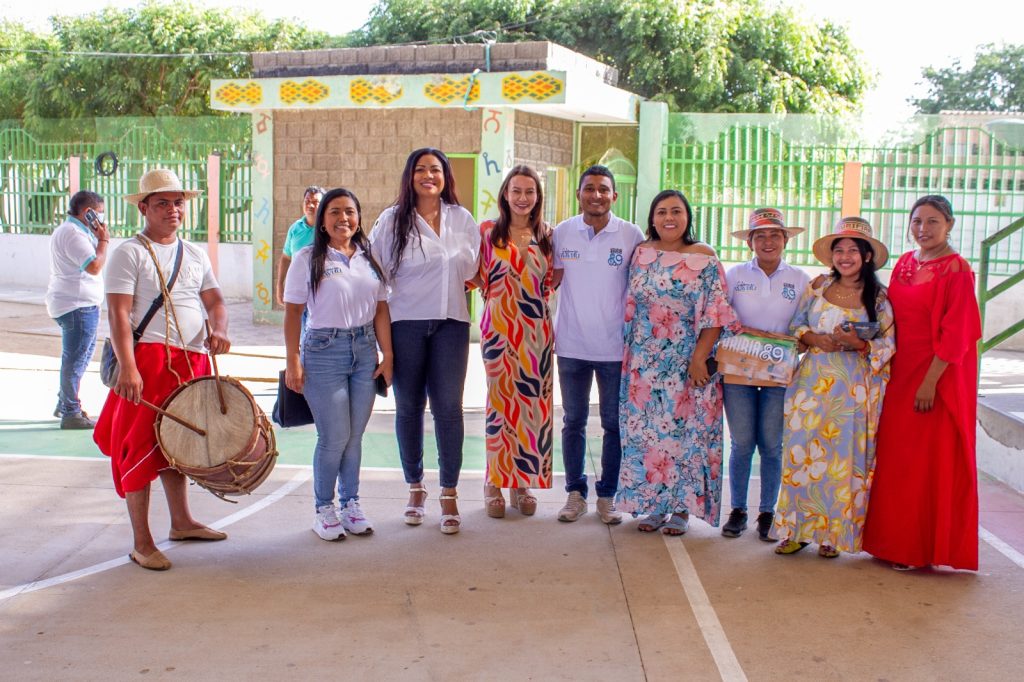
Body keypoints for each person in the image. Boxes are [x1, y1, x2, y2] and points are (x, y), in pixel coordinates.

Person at [93, 169, 231, 571]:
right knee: (140, 448)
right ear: (143, 208)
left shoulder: (195, 253)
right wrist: (128, 368)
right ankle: (142, 542)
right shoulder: (129, 253)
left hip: (192, 362)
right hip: (148, 364)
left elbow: (216, 302)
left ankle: (182, 522)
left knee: (179, 444)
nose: (173, 210)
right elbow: (118, 315)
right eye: (162, 203)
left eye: (178, 203)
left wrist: (219, 329)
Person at [863, 196, 981, 571]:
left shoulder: (957, 269)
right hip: (899, 372)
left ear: (950, 225)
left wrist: (929, 383)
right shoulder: (904, 263)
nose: (923, 229)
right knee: (896, 459)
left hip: (935, 376)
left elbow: (958, 333)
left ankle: (917, 550)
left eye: (932, 222)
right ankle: (890, 542)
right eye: (917, 221)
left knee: (924, 462)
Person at [369, 148, 480, 534]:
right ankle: (415, 488)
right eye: (421, 169)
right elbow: (377, 279)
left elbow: (474, 271)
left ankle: (449, 492)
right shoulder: (391, 220)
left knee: (449, 409)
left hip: (451, 324)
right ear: (410, 176)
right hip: (406, 325)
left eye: (435, 169)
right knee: (409, 408)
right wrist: (383, 346)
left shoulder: (462, 219)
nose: (428, 176)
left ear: (446, 176)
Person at [616, 190, 739, 535]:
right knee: (650, 436)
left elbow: (716, 313)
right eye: (661, 212)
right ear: (652, 219)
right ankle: (655, 505)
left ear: (687, 217)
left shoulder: (704, 256)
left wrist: (700, 358)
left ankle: (682, 509)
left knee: (686, 435)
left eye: (676, 211)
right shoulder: (641, 253)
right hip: (644, 363)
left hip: (687, 360)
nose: (669, 218)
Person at [772, 217, 894, 559]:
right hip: (810, 388)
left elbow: (888, 344)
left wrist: (859, 344)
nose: (845, 257)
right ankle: (796, 532)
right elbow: (796, 327)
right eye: (839, 250)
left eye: (853, 250)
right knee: (801, 456)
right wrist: (815, 339)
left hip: (852, 392)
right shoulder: (818, 286)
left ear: (866, 256)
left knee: (842, 461)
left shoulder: (879, 297)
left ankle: (832, 535)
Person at [284, 188, 393, 541]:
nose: (342, 218)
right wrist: (293, 360)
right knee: (334, 437)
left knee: (355, 436)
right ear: (322, 220)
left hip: (364, 351)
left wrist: (388, 355)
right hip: (323, 351)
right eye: (334, 211)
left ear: (358, 217)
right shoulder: (307, 258)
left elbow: (381, 309)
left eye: (349, 211)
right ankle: (324, 509)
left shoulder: (368, 257)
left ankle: (350, 504)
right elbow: (293, 312)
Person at [551, 165, 644, 524]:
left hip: (613, 349)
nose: (596, 195)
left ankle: (608, 495)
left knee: (613, 424)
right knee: (572, 421)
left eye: (603, 189)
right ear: (578, 195)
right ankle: (575, 493)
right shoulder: (562, 233)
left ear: (614, 196)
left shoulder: (631, 235)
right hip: (571, 345)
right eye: (589, 188)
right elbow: (547, 280)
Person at [721, 208, 809, 540]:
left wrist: (794, 343)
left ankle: (768, 512)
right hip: (739, 373)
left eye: (775, 235)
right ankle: (738, 510)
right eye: (760, 236)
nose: (768, 242)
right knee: (742, 443)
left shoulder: (800, 279)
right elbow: (721, 316)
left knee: (772, 445)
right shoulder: (734, 275)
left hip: (779, 374)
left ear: (785, 240)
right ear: (750, 242)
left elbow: (805, 324)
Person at [476, 165, 554, 518]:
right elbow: (476, 276)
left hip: (536, 333)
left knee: (531, 407)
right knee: (500, 405)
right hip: (499, 331)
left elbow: (549, 283)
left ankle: (521, 482)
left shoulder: (547, 235)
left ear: (538, 196)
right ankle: (493, 481)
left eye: (529, 191)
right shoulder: (487, 232)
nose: (523, 198)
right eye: (516, 191)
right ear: (505, 194)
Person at [45, 191, 110, 429]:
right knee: (75, 360)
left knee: (79, 357)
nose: (102, 218)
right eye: (100, 213)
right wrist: (103, 241)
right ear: (88, 213)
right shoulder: (72, 234)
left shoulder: (75, 231)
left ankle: (65, 402)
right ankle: (70, 412)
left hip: (78, 304)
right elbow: (93, 266)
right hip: (77, 305)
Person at [276, 186, 324, 306]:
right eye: (307, 201)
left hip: (322, 290)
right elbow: (286, 257)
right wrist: (280, 285)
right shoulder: (295, 228)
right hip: (297, 289)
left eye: (315, 202)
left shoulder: (328, 229)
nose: (310, 205)